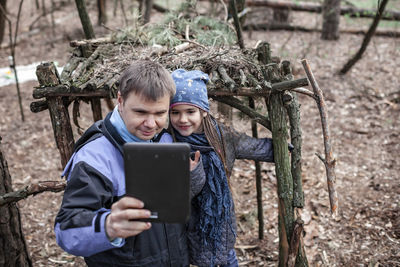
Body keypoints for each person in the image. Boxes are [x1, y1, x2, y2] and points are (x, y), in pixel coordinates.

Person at [54, 60, 205, 266]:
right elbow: (66, 231)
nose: (151, 124)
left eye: (160, 113)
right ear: (120, 101)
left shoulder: (167, 139)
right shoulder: (95, 157)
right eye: (141, 112)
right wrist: (108, 225)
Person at [169, 69, 278, 267]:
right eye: (175, 112)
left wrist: (280, 149)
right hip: (189, 221)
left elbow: (253, 147)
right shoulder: (170, 143)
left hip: (221, 217)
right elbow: (175, 197)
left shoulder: (221, 136)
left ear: (204, 110)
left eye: (190, 111)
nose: (182, 119)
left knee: (226, 256)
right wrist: (193, 175)